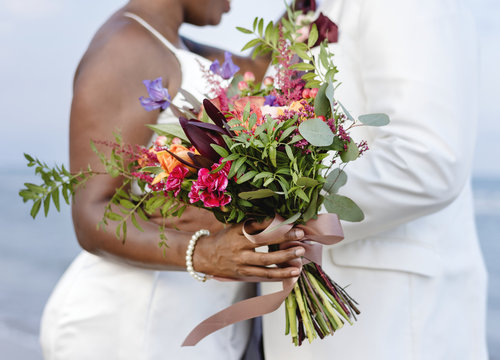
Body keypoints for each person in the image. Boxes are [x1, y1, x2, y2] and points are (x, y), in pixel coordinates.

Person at [39, 1, 306, 359]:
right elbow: (91, 214)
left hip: (192, 325)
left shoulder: (178, 48)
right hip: (130, 327)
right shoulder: (126, 47)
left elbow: (263, 66)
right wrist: (204, 251)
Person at [261, 0, 489, 359]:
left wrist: (271, 209)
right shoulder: (300, 11)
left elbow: (427, 160)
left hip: (393, 320)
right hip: (310, 319)